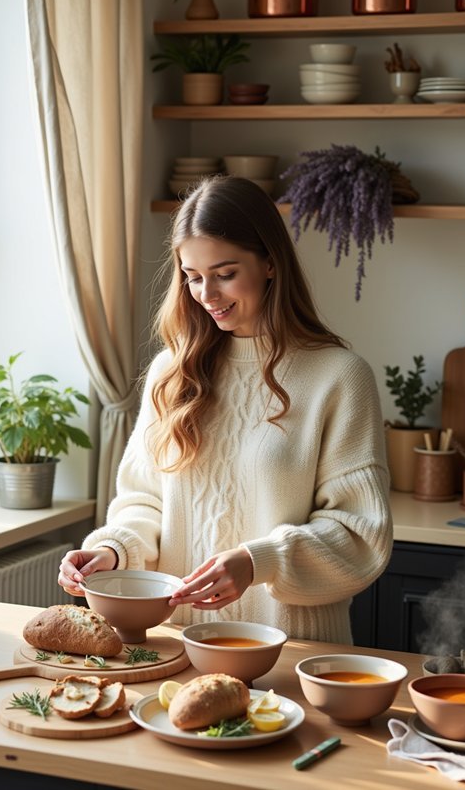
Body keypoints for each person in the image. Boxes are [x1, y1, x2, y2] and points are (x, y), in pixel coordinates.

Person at [58, 175, 392, 643]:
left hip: (290, 650)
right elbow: (145, 501)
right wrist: (113, 551)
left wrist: (260, 560)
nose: (207, 295)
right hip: (178, 648)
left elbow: (361, 536)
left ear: (270, 263)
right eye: (193, 277)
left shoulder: (339, 376)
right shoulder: (171, 372)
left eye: (225, 273)